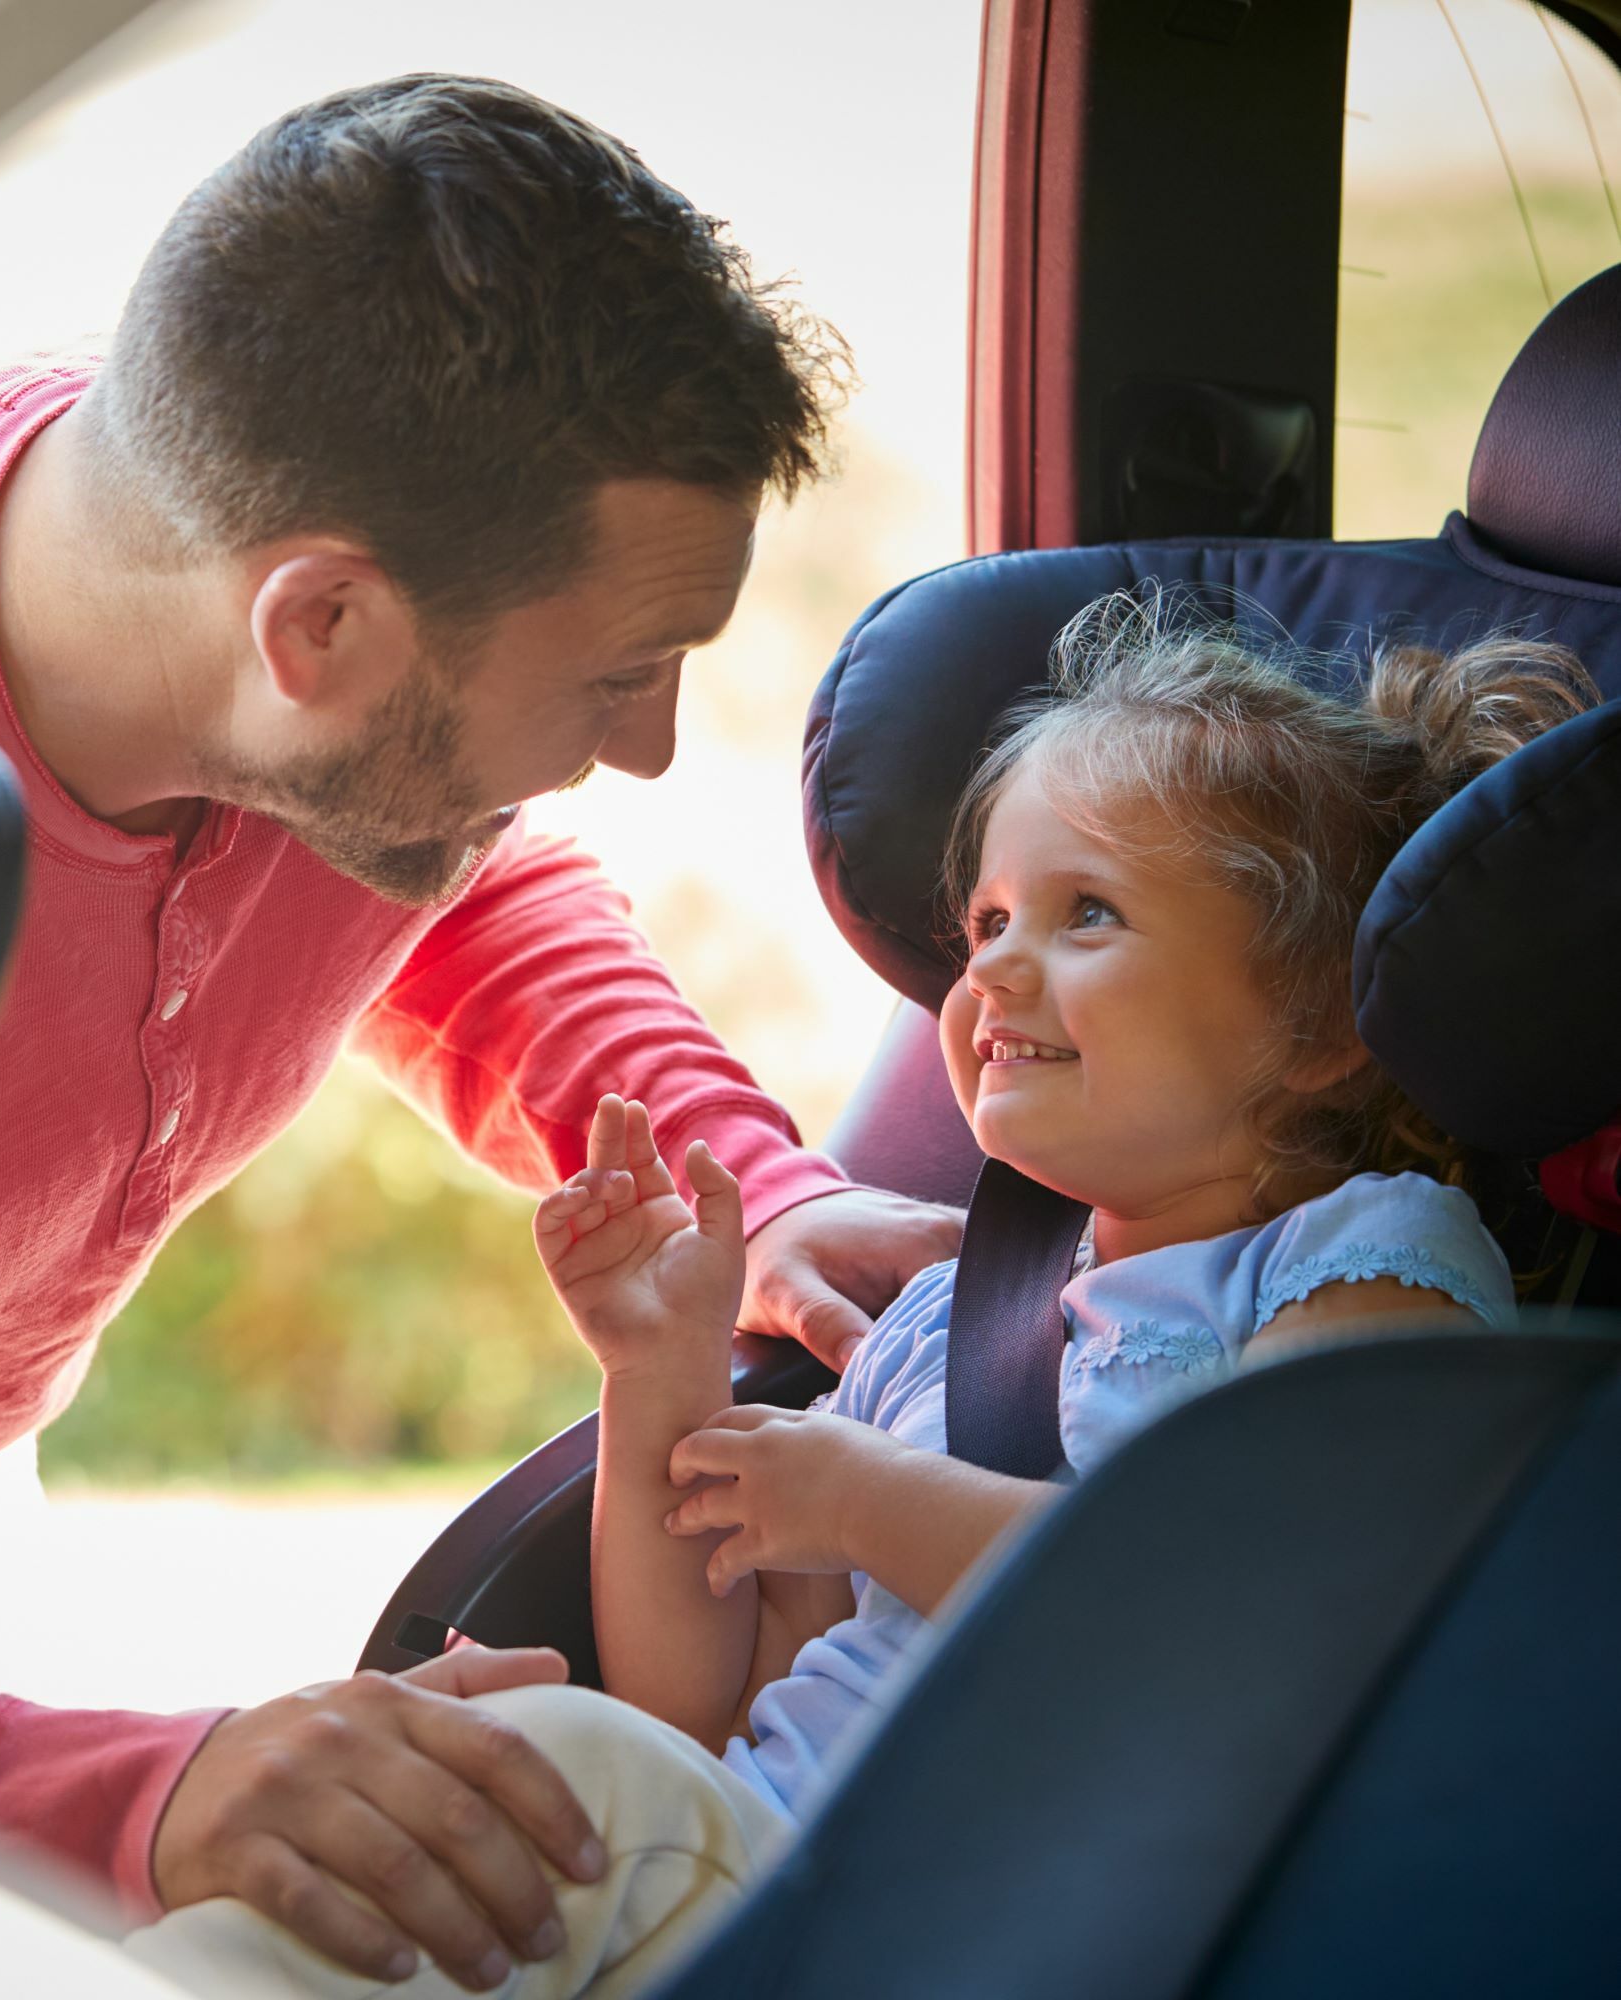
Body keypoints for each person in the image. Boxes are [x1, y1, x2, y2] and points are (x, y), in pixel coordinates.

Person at [0, 71, 965, 1991]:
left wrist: (741, 1180)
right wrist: (135, 1790)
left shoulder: (317, 716)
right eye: (618, 674)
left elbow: (458, 882)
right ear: (320, 628)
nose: (652, 748)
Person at [128, 590, 1589, 1995]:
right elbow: (704, 1702)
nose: (998, 972)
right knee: (444, 1782)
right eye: (988, 925)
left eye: (1088, 916)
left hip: (998, 1914)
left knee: (544, 1787)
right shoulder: (945, 1322)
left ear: (1324, 1019)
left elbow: (1276, 1623)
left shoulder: (1360, 1259)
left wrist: (866, 1498)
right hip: (755, 1875)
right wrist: (663, 1379)